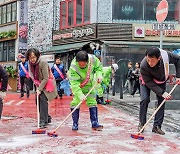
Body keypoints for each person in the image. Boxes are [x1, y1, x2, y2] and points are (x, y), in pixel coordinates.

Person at [139, 47, 180, 135]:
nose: (150, 63)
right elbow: (149, 83)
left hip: (161, 80)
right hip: (146, 81)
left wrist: (178, 76)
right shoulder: (143, 66)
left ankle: (157, 126)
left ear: (159, 58)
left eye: (152, 61)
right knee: (144, 99)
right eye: (148, 60)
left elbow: (178, 60)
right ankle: (142, 123)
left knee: (162, 100)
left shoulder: (166, 56)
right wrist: (162, 92)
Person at [68, 50, 103, 131]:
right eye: (80, 64)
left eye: (84, 64)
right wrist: (80, 95)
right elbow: (74, 84)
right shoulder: (73, 67)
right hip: (79, 86)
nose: (82, 66)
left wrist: (99, 75)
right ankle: (75, 123)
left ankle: (95, 123)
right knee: (75, 103)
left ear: (87, 61)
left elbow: (99, 68)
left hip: (90, 85)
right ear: (77, 61)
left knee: (92, 102)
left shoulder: (93, 59)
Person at [26, 48, 57, 129]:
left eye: (33, 57)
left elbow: (46, 78)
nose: (32, 59)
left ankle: (43, 121)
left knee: (43, 99)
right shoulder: (30, 63)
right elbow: (32, 75)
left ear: (37, 56)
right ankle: (47, 117)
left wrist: (40, 89)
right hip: (38, 83)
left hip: (47, 83)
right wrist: (37, 86)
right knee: (37, 100)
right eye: (30, 57)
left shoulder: (43, 62)